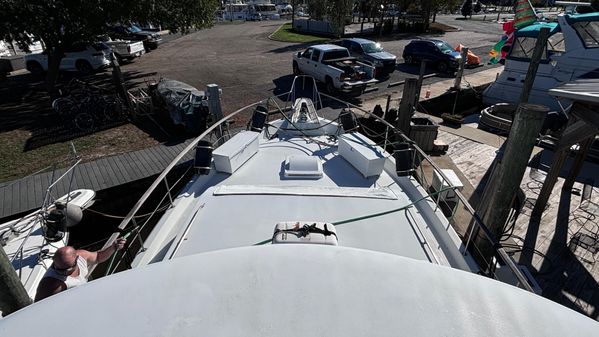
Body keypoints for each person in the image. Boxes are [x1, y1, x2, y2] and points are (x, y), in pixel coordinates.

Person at [34, 238, 126, 302]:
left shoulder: (82, 256)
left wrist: (113, 247)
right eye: (58, 269)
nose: (63, 272)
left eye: (67, 269)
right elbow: (41, 308)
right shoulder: (50, 286)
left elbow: (98, 257)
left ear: (77, 259)